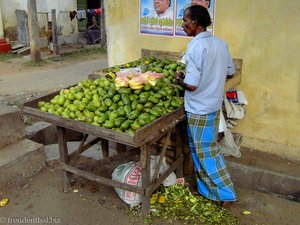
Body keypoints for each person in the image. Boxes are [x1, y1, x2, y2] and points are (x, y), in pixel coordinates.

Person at [176, 5, 237, 205]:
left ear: (195, 22)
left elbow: (192, 86)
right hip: (212, 105)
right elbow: (230, 72)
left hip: (198, 108)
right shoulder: (220, 43)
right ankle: (208, 191)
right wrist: (213, 75)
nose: (183, 24)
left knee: (206, 152)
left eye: (185, 20)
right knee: (201, 150)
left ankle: (225, 192)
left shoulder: (195, 46)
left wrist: (179, 79)